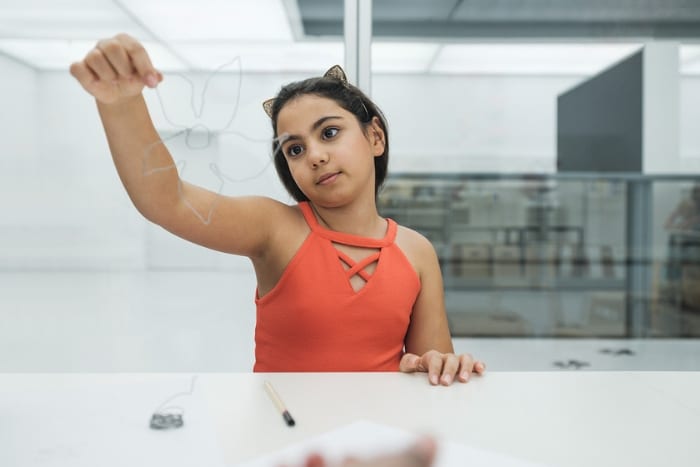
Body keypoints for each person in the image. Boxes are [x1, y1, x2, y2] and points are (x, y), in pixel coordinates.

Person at [69, 34, 485, 385]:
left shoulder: (417, 252)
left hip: (380, 445)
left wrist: (445, 365)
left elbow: (433, 370)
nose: (316, 156)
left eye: (330, 132)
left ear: (374, 136)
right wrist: (121, 102)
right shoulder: (275, 229)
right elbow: (168, 200)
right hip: (284, 439)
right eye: (296, 148)